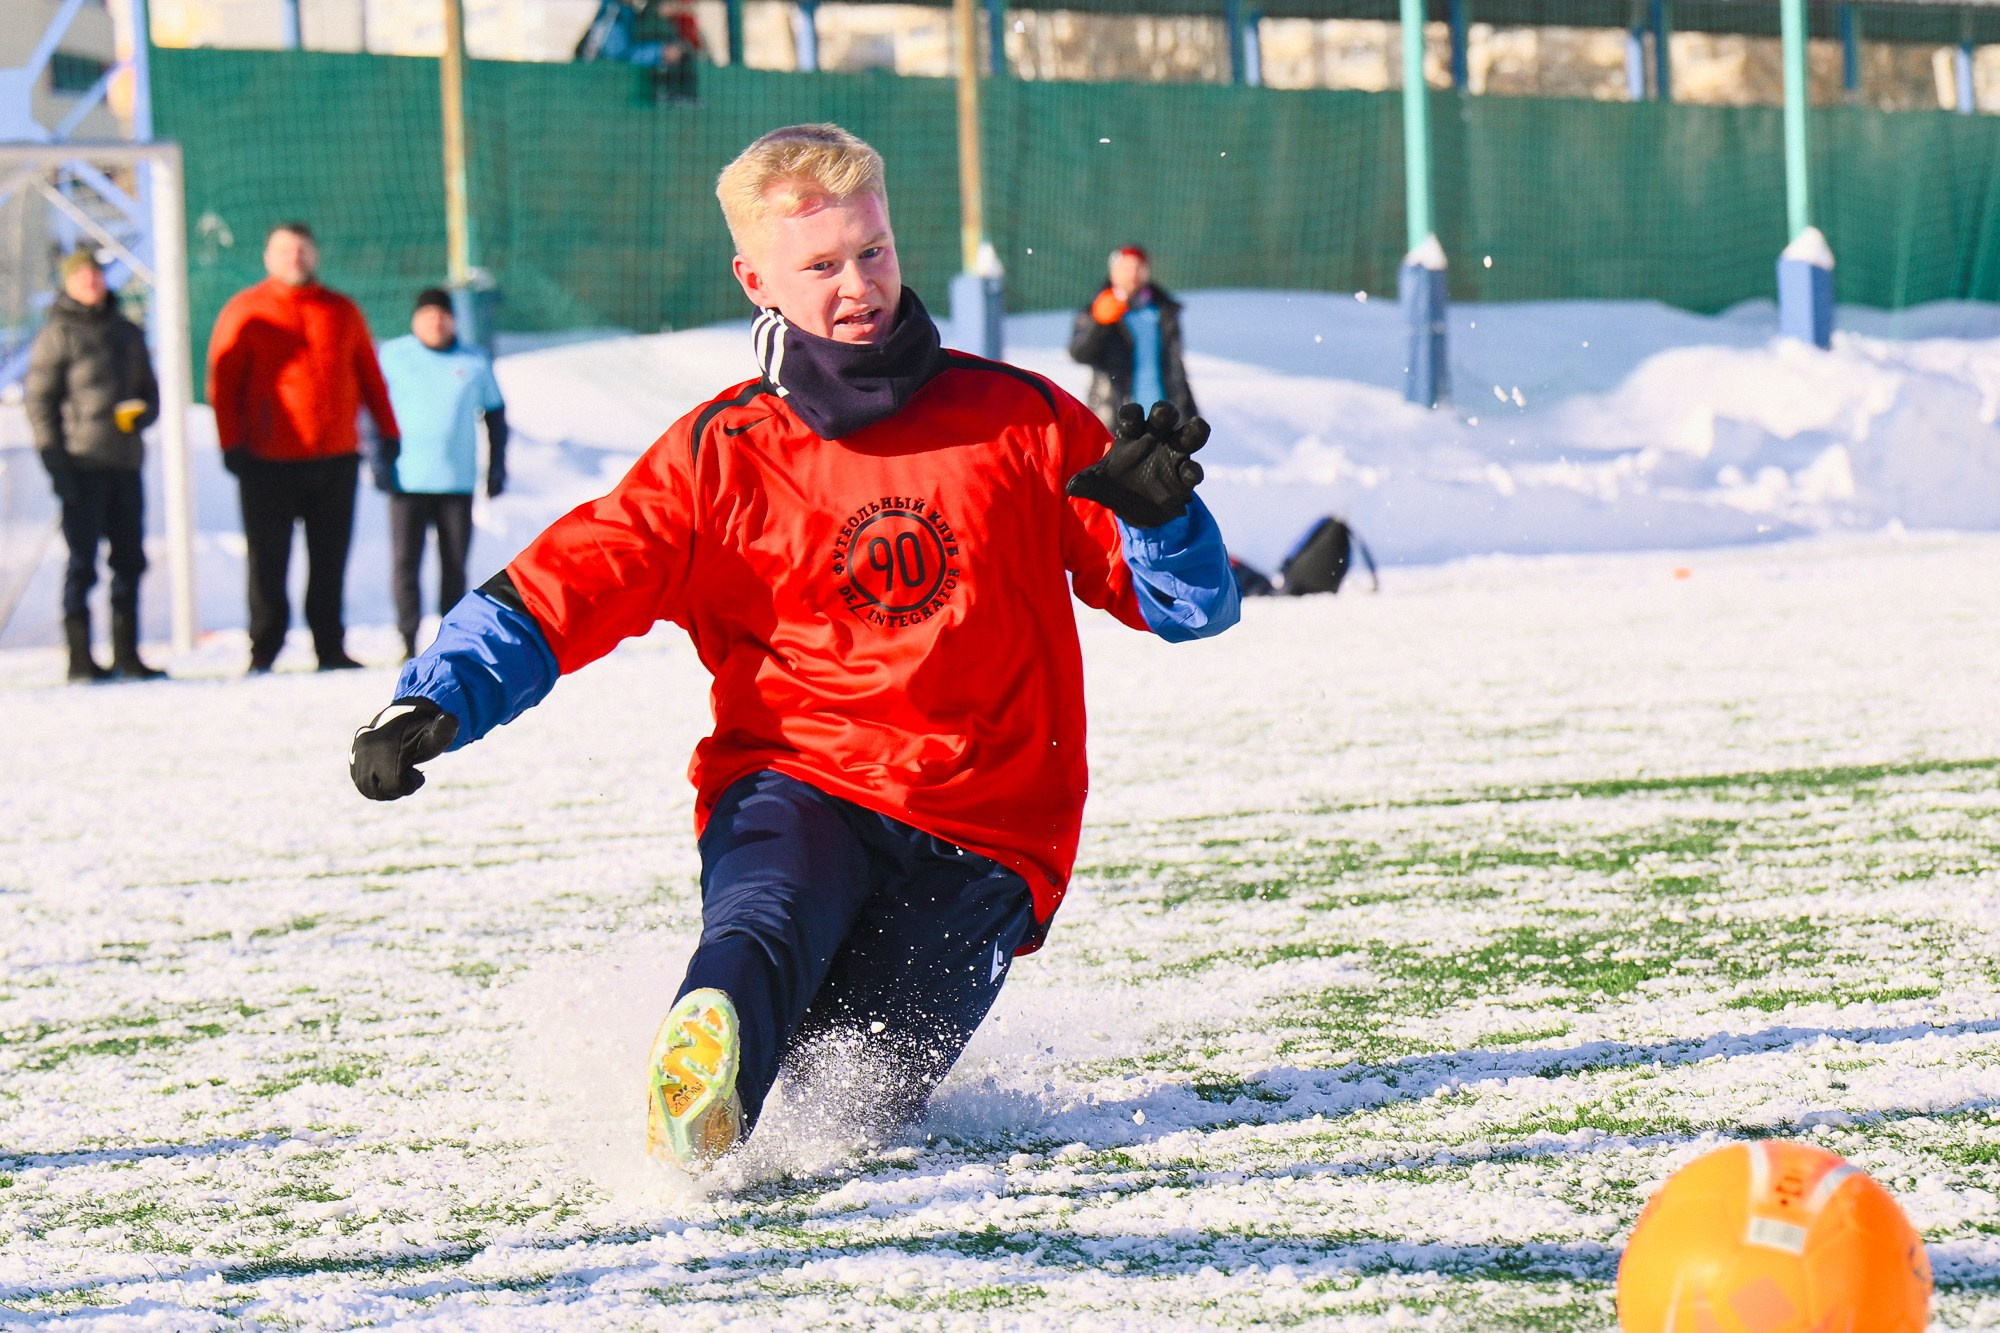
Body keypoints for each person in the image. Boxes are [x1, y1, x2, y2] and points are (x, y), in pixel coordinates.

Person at [348, 124, 1239, 1172]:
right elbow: (572, 579)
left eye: (872, 251)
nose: (856, 283)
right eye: (819, 265)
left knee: (851, 1098)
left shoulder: (1020, 419)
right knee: (762, 930)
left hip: (987, 830)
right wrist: (436, 698)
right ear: (755, 279)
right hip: (797, 780)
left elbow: (1189, 609)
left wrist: (1164, 524)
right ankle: (705, 1048)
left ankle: (740, 1089)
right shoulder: (718, 455)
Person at [207, 223, 399, 673]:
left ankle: (329, 646)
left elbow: (370, 376)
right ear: (267, 258)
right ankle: (265, 648)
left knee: (329, 560)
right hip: (267, 461)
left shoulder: (341, 311)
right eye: (284, 250)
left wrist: (388, 432)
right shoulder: (245, 309)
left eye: (302, 249)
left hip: (335, 458)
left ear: (314, 255)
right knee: (268, 561)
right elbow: (223, 384)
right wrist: (231, 443)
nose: (295, 258)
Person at [25, 250, 164, 683]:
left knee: (129, 561)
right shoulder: (57, 334)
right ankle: (81, 659)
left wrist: (142, 414)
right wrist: (57, 465)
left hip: (125, 464)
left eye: (96, 275)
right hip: (81, 466)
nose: (92, 283)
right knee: (82, 563)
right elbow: (41, 403)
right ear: (67, 283)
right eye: (82, 276)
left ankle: (128, 655)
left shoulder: (126, 331)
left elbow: (150, 391)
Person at [375, 288, 509, 661]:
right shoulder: (394, 356)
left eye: (442, 315)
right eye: (427, 315)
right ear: (415, 320)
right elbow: (373, 408)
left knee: (453, 564)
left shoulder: (473, 360)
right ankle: (407, 638)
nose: (435, 322)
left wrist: (496, 466)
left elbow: (495, 415)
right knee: (406, 563)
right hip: (408, 481)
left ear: (453, 320)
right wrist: (378, 458)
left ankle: (448, 640)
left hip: (456, 482)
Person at [1067, 245, 1197, 434]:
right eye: (1126, 267)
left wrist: (1188, 412)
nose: (1133, 273)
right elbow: (1079, 353)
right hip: (1115, 417)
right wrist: (1098, 323)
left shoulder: (1164, 310)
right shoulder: (1098, 308)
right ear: (1113, 271)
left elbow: (1175, 368)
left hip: (1163, 417)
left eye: (1139, 267)